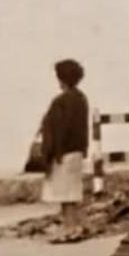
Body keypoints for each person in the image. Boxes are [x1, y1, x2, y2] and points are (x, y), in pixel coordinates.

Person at [40, 59, 89, 244]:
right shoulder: (81, 98)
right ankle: (75, 226)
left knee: (65, 195)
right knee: (73, 193)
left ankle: (70, 228)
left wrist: (52, 153)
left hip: (63, 153)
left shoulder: (61, 101)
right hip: (77, 152)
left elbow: (59, 130)